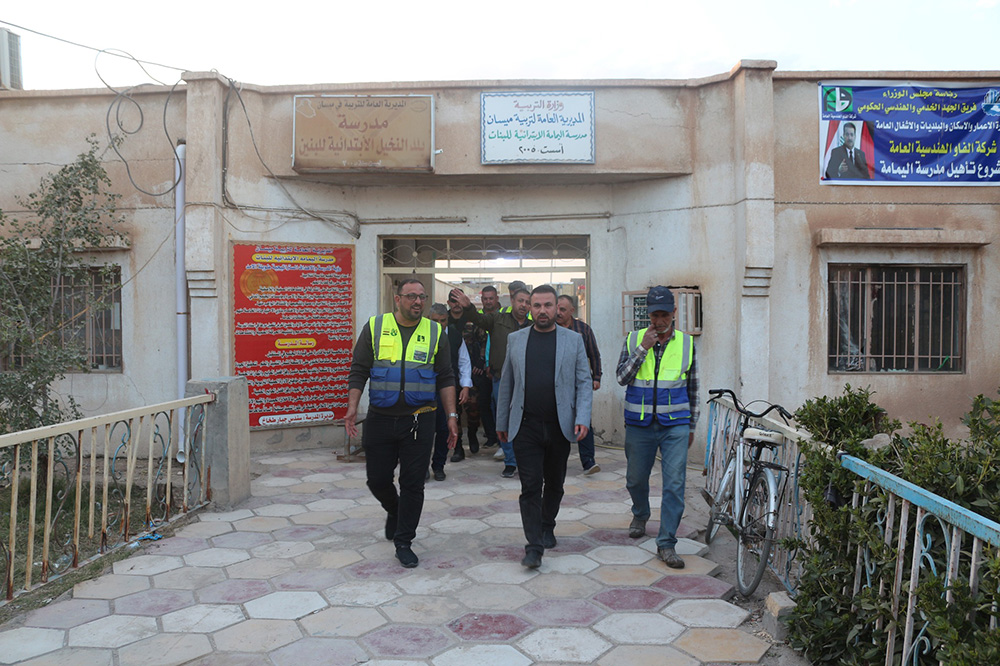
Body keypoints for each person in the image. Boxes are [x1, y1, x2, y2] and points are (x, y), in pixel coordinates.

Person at [344, 279, 458, 569]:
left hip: (421, 418)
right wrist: (352, 407)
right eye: (411, 297)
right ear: (398, 300)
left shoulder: (435, 331)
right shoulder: (375, 326)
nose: (417, 302)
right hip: (381, 418)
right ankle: (394, 510)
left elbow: (445, 376)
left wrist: (452, 416)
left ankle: (404, 540)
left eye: (422, 297)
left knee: (412, 483)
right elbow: (359, 369)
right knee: (377, 479)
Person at [495, 285, 593, 569]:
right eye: (536, 305)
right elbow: (507, 384)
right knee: (530, 486)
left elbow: (584, 382)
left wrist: (582, 417)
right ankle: (534, 546)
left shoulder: (573, 340)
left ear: (557, 307)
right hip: (526, 426)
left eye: (548, 305)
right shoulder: (516, 339)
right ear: (529, 308)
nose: (541, 311)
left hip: (559, 425)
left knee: (555, 484)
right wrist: (502, 421)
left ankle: (547, 524)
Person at [616, 285, 699, 569]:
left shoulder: (687, 344)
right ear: (648, 315)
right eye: (655, 315)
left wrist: (692, 427)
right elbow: (622, 377)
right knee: (635, 479)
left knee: (674, 485)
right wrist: (643, 349)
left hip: (675, 425)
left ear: (674, 313)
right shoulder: (633, 339)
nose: (660, 321)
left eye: (665, 314)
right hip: (639, 425)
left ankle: (666, 543)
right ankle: (640, 512)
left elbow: (694, 388)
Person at [452, 285, 532, 478]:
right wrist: (469, 306)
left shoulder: (533, 326)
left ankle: (525, 460)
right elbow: (478, 319)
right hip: (501, 379)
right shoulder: (498, 319)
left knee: (525, 422)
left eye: (527, 302)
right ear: (511, 301)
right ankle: (510, 461)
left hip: (526, 382)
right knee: (503, 419)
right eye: (520, 301)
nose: (523, 305)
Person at [556, 294, 602, 475]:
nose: (558, 313)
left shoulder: (583, 330)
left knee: (584, 420)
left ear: (572, 311)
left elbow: (594, 354)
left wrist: (596, 377)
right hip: (559, 384)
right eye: (557, 309)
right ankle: (557, 461)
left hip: (581, 383)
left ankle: (588, 461)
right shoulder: (550, 330)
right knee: (559, 421)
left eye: (563, 310)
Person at [428, 303, 471, 478]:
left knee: (445, 428)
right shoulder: (420, 332)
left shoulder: (454, 335)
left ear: (447, 319)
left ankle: (438, 466)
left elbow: (464, 361)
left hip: (447, 390)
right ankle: (421, 467)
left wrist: (466, 386)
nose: (439, 324)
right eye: (435, 321)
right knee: (423, 430)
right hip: (423, 390)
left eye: (443, 320)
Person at [472, 286, 500, 450]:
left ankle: (502, 436)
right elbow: (472, 343)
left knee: (499, 404)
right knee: (483, 403)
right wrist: (479, 363)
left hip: (499, 367)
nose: (488, 301)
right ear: (481, 300)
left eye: (491, 298)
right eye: (485, 298)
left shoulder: (504, 317)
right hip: (481, 370)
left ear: (496, 299)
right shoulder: (477, 319)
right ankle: (491, 436)